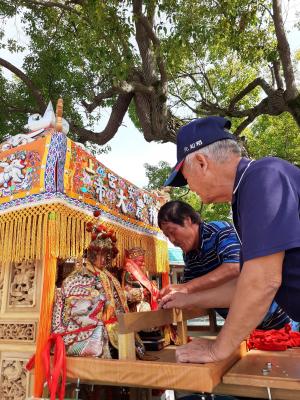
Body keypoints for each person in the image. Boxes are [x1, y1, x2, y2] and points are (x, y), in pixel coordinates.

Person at [160, 116, 300, 363]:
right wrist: (188, 298)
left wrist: (217, 349)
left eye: (186, 178)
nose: (189, 188)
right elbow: (245, 284)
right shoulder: (247, 191)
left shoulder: (263, 177)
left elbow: (263, 281)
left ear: (201, 163)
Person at [158, 200, 291, 330]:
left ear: (188, 220)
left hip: (273, 319)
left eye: (172, 232)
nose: (172, 240)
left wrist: (186, 287)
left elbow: (234, 267)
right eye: (167, 236)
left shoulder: (219, 231)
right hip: (240, 328)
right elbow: (192, 292)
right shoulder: (188, 255)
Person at [122, 247, 159, 312]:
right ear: (133, 261)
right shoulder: (128, 273)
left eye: (143, 261)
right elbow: (125, 291)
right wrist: (141, 292)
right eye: (141, 261)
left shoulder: (144, 273)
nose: (143, 264)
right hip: (135, 307)